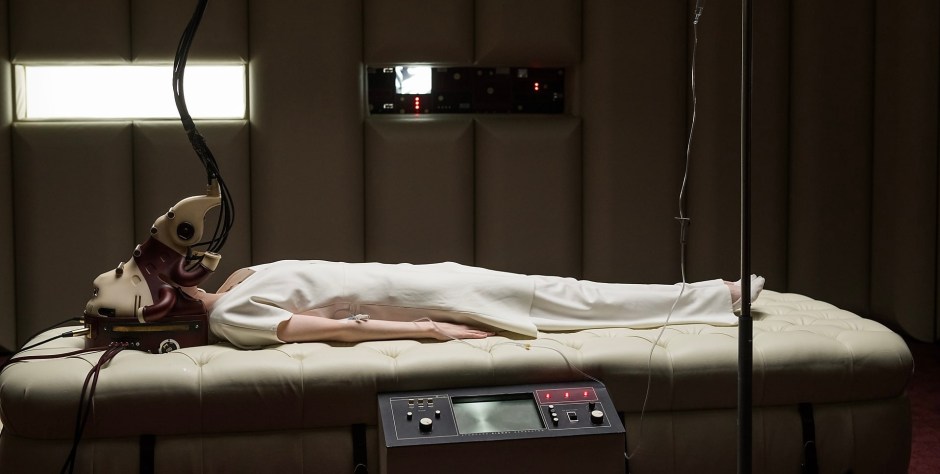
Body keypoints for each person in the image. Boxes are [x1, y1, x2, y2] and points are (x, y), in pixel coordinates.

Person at [184, 260, 764, 350]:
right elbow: (331, 329)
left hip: (425, 278)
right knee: (577, 299)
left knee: (571, 295)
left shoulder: (237, 283)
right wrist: (428, 329)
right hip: (428, 297)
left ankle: (710, 294)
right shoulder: (227, 315)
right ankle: (715, 296)